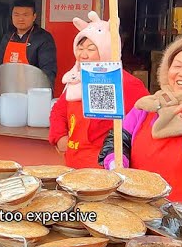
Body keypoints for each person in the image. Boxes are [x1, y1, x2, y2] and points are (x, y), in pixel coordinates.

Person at [99, 34, 182, 208]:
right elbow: (117, 140)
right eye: (176, 66)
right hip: (140, 209)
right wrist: (115, 164)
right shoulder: (148, 105)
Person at [49, 12, 149, 168]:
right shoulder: (75, 79)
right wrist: (59, 136)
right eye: (80, 48)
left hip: (108, 167)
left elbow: (144, 121)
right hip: (74, 164)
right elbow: (59, 111)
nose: (83, 55)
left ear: (107, 50)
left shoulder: (128, 84)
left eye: (91, 49)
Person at [0, 0, 57, 88]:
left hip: (32, 92)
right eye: (16, 15)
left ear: (34, 16)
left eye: (25, 15)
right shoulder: (7, 37)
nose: (20, 19)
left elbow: (48, 72)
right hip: (7, 90)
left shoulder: (43, 38)